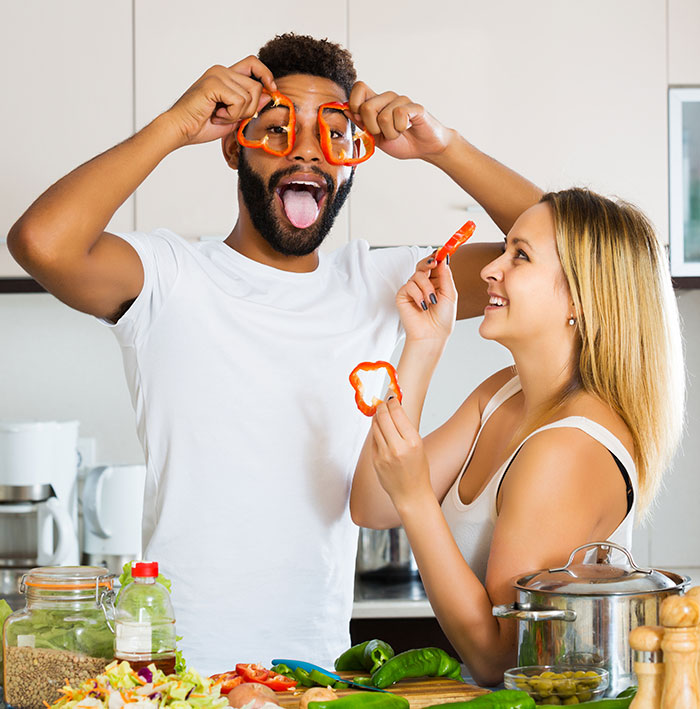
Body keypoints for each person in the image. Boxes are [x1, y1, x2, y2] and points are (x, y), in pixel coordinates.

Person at [7, 33, 543, 673]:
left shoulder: (380, 282)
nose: (309, 153)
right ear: (235, 143)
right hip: (177, 674)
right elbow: (41, 242)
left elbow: (570, 249)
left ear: (353, 157)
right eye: (278, 129)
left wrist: (444, 149)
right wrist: (174, 126)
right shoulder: (169, 276)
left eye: (332, 134)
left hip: (315, 674)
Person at [350, 187, 685, 685]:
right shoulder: (504, 393)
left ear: (581, 297)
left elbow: (504, 658)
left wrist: (418, 498)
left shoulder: (569, 448)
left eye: (520, 256)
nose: (489, 269)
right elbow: (373, 505)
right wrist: (423, 344)